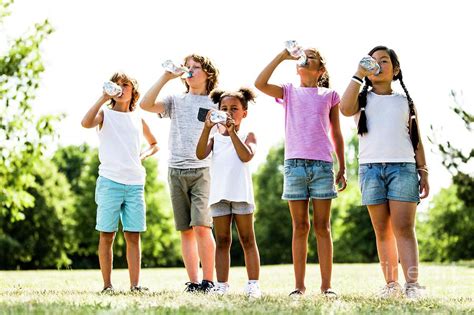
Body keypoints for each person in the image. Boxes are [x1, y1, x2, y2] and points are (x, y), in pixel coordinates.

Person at [255, 46, 346, 298]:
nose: (306, 60)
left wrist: (342, 166)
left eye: (312, 57)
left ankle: (327, 286)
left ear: (321, 69)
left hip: (322, 166)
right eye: (303, 57)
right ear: (297, 66)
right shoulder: (288, 91)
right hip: (294, 166)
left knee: (322, 227)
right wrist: (282, 56)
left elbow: (336, 133)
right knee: (300, 227)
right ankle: (299, 286)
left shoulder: (330, 95)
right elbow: (259, 83)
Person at [339, 46, 430, 299]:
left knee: (403, 227)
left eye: (384, 60)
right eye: (373, 61)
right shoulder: (361, 100)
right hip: (370, 171)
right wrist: (358, 73)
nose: (378, 64)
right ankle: (391, 284)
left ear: (395, 69)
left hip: (403, 169)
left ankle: (412, 285)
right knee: (382, 230)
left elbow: (417, 140)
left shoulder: (405, 102)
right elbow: (344, 109)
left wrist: (424, 171)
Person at [140, 54, 219, 293]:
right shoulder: (175, 100)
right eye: (188, 67)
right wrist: (166, 76)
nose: (190, 70)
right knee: (185, 230)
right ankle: (194, 282)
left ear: (208, 74)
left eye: (196, 67)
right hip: (176, 170)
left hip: (203, 170)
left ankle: (209, 280)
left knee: (202, 227)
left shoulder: (215, 102)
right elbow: (145, 104)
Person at [81, 72, 159, 293]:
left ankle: (135, 285)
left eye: (126, 85)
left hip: (135, 184)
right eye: (117, 85)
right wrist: (102, 98)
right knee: (107, 235)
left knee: (133, 235)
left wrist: (143, 156)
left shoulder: (138, 118)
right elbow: (86, 123)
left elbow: (154, 143)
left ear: (133, 91)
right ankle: (107, 285)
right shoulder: (104, 114)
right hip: (109, 182)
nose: (122, 88)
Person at [196, 88, 261, 298]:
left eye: (234, 108)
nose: (229, 112)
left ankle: (253, 284)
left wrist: (232, 132)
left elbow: (246, 156)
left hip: (241, 194)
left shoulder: (247, 135)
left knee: (247, 239)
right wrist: (207, 128)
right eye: (224, 109)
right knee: (222, 241)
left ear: (245, 112)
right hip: (219, 196)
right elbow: (199, 154)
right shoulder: (215, 138)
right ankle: (222, 285)